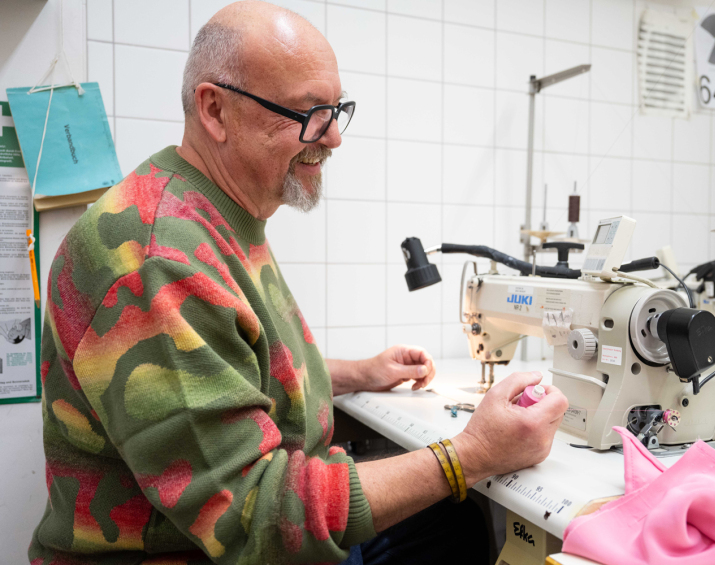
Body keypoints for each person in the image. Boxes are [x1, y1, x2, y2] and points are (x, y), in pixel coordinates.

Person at [28, 2, 568, 564]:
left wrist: (360, 373)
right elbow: (256, 519)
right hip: (231, 543)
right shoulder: (159, 258)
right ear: (215, 110)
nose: (333, 137)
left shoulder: (215, 213)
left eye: (337, 110)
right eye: (309, 112)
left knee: (450, 524)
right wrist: (473, 452)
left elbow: (230, 371)